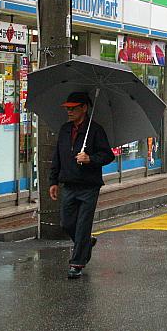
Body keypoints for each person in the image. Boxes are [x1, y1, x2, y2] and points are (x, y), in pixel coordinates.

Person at [49, 91, 115, 279]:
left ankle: (76, 263)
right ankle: (86, 242)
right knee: (66, 223)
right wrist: (53, 181)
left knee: (83, 225)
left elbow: (108, 155)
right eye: (67, 108)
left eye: (73, 108)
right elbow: (57, 157)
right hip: (69, 184)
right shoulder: (64, 130)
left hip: (88, 186)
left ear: (84, 108)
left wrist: (90, 158)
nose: (69, 112)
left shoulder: (95, 130)